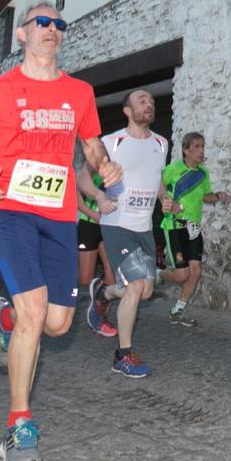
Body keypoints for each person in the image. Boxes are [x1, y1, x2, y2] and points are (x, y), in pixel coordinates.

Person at [0, 0, 123, 461]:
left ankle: (3, 318)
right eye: (42, 21)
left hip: (59, 214)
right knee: (35, 312)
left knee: (58, 324)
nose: (52, 29)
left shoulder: (80, 92)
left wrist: (104, 164)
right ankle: (19, 424)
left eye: (60, 23)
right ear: (22, 34)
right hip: (10, 210)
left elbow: (90, 146)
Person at [85, 89, 174, 378]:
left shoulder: (162, 144)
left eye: (151, 100)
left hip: (144, 227)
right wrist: (99, 197)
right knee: (136, 285)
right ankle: (123, 355)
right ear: (127, 110)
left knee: (144, 291)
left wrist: (164, 198)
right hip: (117, 223)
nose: (149, 104)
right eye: (142, 101)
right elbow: (80, 177)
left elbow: (157, 176)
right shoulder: (111, 143)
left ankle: (104, 293)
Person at [158, 132, 230, 327]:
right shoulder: (174, 168)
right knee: (182, 275)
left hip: (194, 229)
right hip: (174, 226)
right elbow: (158, 184)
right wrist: (166, 200)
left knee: (195, 271)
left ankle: (178, 311)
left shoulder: (203, 173)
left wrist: (218, 196)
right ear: (186, 149)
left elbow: (205, 196)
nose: (201, 150)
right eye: (197, 146)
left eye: (203, 146)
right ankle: (156, 274)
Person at [75, 163, 119, 337]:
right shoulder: (85, 173)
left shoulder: (117, 172)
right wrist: (95, 216)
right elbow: (77, 201)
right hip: (88, 225)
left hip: (108, 228)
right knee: (84, 278)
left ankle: (100, 318)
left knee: (111, 276)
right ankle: (95, 288)